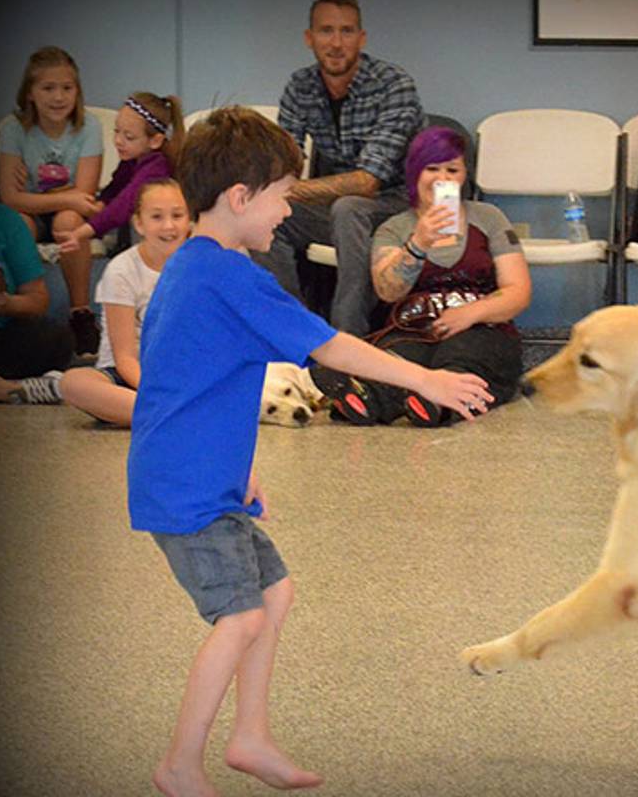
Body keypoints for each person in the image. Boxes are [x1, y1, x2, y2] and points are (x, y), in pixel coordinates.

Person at [130, 106, 492, 797]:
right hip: (186, 489)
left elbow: (184, 381)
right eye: (282, 197)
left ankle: (251, 737)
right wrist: (427, 377)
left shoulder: (197, 267)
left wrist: (232, 468)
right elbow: (330, 346)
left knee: (274, 592)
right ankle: (179, 765)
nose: (286, 211)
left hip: (199, 477)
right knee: (238, 618)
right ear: (240, 199)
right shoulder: (229, 277)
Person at [312, 126, 531, 426]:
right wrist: (418, 244)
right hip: (414, 327)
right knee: (398, 359)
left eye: (452, 169)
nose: (443, 178)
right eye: (432, 169)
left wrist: (470, 314)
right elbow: (387, 290)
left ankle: (438, 402)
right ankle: (367, 396)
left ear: (464, 175)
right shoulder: (393, 228)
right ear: (416, 173)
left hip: (481, 328)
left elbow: (518, 290)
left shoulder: (488, 218)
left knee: (463, 355)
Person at [253, 0, 425, 337]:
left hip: (399, 206)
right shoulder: (300, 86)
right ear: (309, 37)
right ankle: (293, 328)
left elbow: (368, 182)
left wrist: (286, 188)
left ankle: (348, 337)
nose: (336, 42)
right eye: (326, 31)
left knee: (349, 208)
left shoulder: (393, 85)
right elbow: (285, 162)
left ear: (361, 38)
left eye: (346, 31)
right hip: (337, 209)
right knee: (266, 212)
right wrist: (271, 188)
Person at [0, 46, 103, 356]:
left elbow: (82, 198)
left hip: (61, 213)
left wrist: (42, 197)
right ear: (30, 93)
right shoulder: (14, 129)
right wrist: (64, 194)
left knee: (70, 221)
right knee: (16, 224)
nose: (59, 97)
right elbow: (9, 198)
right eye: (48, 88)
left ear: (77, 91)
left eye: (67, 88)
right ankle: (22, 311)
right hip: (27, 215)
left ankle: (80, 314)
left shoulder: (89, 127)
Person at [60, 179, 189, 426]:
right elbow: (125, 357)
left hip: (177, 373)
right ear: (139, 223)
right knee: (73, 383)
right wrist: (156, 392)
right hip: (127, 377)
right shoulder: (122, 270)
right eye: (157, 217)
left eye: (177, 215)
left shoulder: (198, 265)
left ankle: (165, 414)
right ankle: (168, 415)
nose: (169, 226)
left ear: (189, 219)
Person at [0, 132, 72, 404]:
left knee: (57, 337)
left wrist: (7, 305)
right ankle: (7, 391)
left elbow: (37, 299)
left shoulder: (5, 222)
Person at [55, 92, 185, 258]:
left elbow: (123, 205)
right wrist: (101, 203)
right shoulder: (133, 158)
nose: (118, 141)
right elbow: (115, 187)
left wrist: (82, 232)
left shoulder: (156, 168)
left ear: (155, 141)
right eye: (117, 131)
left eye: (129, 137)